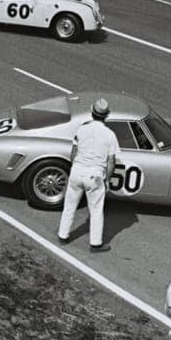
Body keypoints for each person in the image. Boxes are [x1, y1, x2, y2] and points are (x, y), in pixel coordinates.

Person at [56, 97, 119, 252]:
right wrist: (108, 180)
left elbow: (73, 153)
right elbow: (111, 162)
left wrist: (76, 168)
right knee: (96, 211)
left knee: (69, 206)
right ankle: (95, 243)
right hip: (95, 174)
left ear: (92, 113)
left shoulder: (82, 129)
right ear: (106, 115)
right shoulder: (110, 135)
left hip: (77, 170)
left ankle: (63, 235)